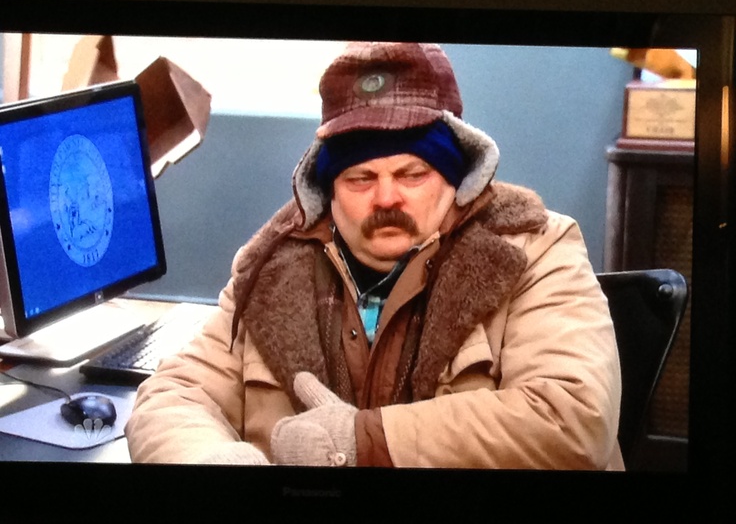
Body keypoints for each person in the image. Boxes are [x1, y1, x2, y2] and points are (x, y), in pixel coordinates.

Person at [125, 42, 624, 470]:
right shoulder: (271, 264)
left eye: (413, 174)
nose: (387, 198)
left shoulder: (535, 249)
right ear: (327, 192)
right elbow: (174, 396)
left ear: (457, 180)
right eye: (361, 178)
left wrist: (361, 441)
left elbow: (573, 418)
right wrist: (212, 462)